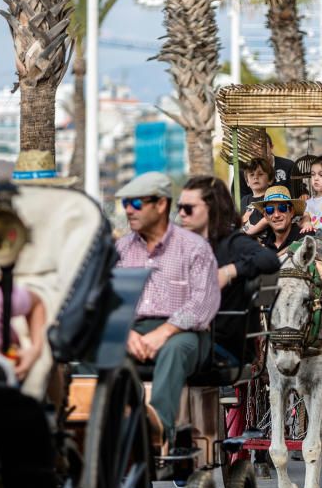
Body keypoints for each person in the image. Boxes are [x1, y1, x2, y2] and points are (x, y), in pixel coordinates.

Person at [114, 172, 221, 445]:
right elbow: (108, 299)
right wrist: (126, 335)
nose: (128, 209)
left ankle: (157, 429)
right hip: (133, 330)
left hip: (185, 333)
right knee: (98, 353)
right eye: (126, 203)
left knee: (174, 350)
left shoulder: (194, 247)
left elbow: (203, 302)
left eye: (136, 203)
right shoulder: (121, 249)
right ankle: (116, 422)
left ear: (161, 205)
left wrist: (163, 333)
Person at [178, 175, 279, 359]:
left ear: (211, 207)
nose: (181, 214)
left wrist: (229, 271)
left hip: (222, 344)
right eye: (179, 208)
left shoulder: (232, 242)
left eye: (188, 208)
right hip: (189, 334)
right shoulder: (186, 246)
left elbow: (270, 259)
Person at [252, 185, 312, 255]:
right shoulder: (264, 244)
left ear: (291, 212)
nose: (276, 215)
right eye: (270, 210)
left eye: (282, 208)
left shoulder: (306, 236)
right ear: (266, 216)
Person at [241, 155, 274, 238]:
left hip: (266, 240)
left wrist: (250, 232)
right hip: (247, 239)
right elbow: (241, 219)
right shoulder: (245, 199)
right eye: (252, 175)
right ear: (247, 182)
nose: (255, 177)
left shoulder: (271, 197)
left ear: (270, 180)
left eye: (260, 174)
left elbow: (267, 219)